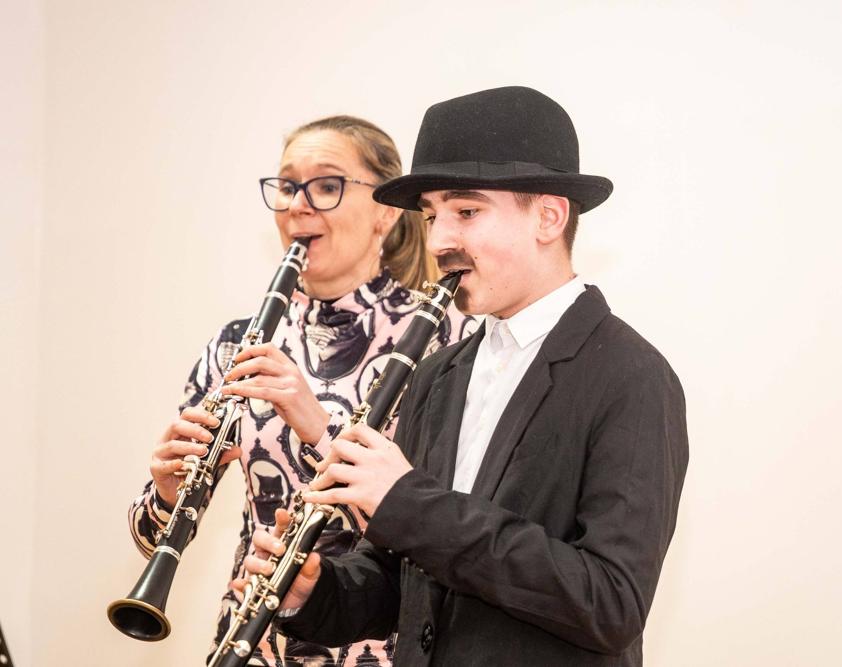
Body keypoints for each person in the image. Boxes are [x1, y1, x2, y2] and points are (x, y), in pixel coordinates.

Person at [243, 86, 689, 666]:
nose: (438, 242)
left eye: (466, 212)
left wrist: (411, 504)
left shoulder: (631, 375)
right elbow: (404, 586)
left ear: (548, 217)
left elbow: (610, 604)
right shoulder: (437, 373)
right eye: (432, 216)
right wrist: (316, 592)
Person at [127, 115, 475, 666]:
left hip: (378, 647)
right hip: (253, 641)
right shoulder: (238, 341)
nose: (298, 206)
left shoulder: (447, 338)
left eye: (327, 186)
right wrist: (168, 493)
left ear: (386, 211)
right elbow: (153, 538)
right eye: (288, 186)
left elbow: (441, 529)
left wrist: (319, 428)